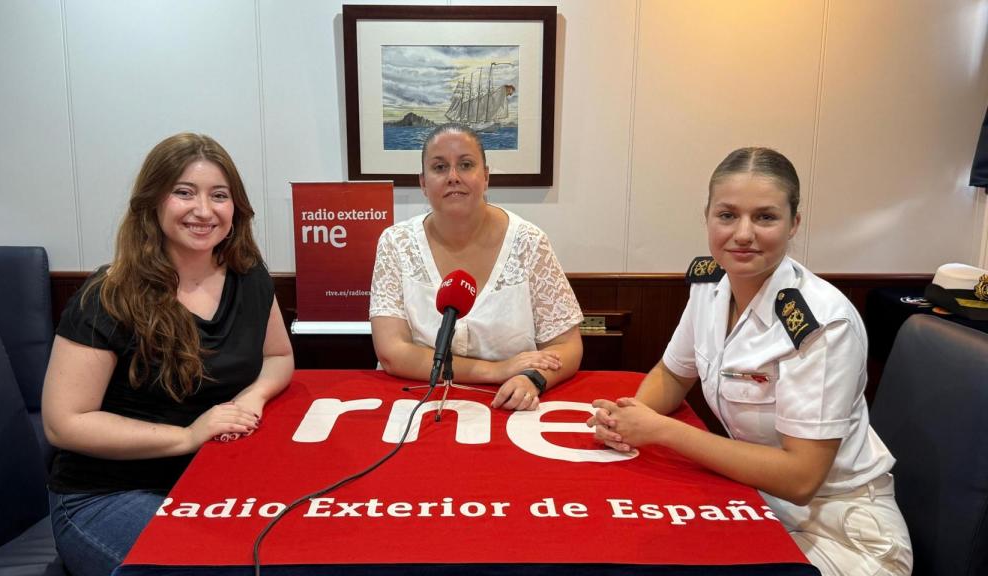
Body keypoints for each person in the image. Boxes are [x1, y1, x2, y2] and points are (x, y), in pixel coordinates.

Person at [588, 147, 912, 575]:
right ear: (707, 217)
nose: (743, 233)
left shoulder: (821, 323)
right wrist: (628, 420)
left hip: (841, 531)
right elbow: (672, 374)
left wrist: (659, 430)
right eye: (727, 215)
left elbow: (801, 478)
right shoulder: (710, 285)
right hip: (754, 502)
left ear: (794, 223)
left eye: (765, 217)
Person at [42, 133, 293, 576]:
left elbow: (277, 358)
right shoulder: (107, 295)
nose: (204, 210)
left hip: (211, 487)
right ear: (152, 203)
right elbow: (65, 423)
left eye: (219, 195)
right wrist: (187, 437)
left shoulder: (250, 276)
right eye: (184, 192)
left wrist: (250, 398)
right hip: (106, 496)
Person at [370, 123, 583, 410]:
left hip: (508, 407)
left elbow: (567, 346)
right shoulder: (395, 243)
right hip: (414, 403)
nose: (453, 177)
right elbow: (392, 353)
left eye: (466, 165)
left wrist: (532, 378)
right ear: (422, 182)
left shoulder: (529, 242)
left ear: (485, 177)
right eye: (440, 167)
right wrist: (496, 370)